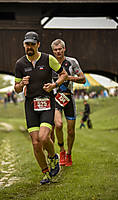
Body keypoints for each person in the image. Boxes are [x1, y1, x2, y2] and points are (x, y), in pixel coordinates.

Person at [14, 31, 68, 185]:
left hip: (47, 103)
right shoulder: (20, 64)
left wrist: (54, 85)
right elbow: (16, 89)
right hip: (30, 105)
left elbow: (63, 74)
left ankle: (53, 158)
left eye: (32, 44)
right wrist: (21, 84)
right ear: (24, 45)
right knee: (36, 143)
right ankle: (46, 173)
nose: (29, 47)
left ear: (38, 44)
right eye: (27, 44)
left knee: (44, 137)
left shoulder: (48, 59)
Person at [51, 39, 86, 167]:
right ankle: (61, 151)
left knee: (71, 131)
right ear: (53, 51)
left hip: (68, 98)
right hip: (55, 99)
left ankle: (69, 154)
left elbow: (83, 79)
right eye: (55, 50)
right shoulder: (50, 62)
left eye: (60, 49)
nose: (58, 51)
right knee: (58, 124)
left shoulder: (72, 62)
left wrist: (68, 77)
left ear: (64, 49)